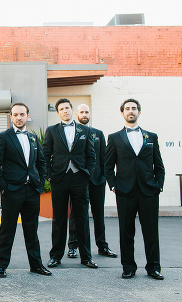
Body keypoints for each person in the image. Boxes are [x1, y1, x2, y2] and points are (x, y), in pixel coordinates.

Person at [105, 99, 164, 280]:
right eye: (127, 109)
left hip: (148, 191)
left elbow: (159, 166)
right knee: (126, 231)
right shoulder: (114, 138)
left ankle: (153, 267)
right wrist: (114, 186)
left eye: (134, 108)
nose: (131, 111)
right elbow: (108, 166)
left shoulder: (151, 137)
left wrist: (158, 186)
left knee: (151, 231)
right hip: (124, 192)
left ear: (139, 112)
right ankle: (128, 267)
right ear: (122, 113)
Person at [0, 102, 51, 278]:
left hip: (31, 190)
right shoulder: (3, 137)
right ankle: (1, 265)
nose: (18, 117)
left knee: (32, 230)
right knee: (7, 230)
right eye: (15, 115)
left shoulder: (33, 138)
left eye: (22, 114)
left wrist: (39, 183)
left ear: (27, 116)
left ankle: (36, 265)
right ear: (11, 117)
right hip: (11, 191)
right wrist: (3, 187)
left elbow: (41, 163)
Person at [43, 98, 98, 269]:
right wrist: (50, 175)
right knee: (59, 219)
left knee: (82, 218)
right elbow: (45, 155)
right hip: (59, 179)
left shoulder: (85, 130)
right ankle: (56, 256)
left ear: (72, 110)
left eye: (67, 108)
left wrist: (86, 174)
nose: (65, 111)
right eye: (61, 109)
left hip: (79, 179)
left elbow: (91, 155)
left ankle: (86, 257)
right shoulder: (51, 131)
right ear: (58, 112)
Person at [66, 104, 118, 259]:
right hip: (78, 180)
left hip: (97, 180)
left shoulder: (98, 134)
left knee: (98, 214)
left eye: (86, 112)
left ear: (90, 114)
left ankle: (102, 246)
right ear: (76, 114)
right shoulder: (71, 133)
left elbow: (104, 158)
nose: (84, 114)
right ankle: (73, 246)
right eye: (81, 112)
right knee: (76, 214)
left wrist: (105, 179)